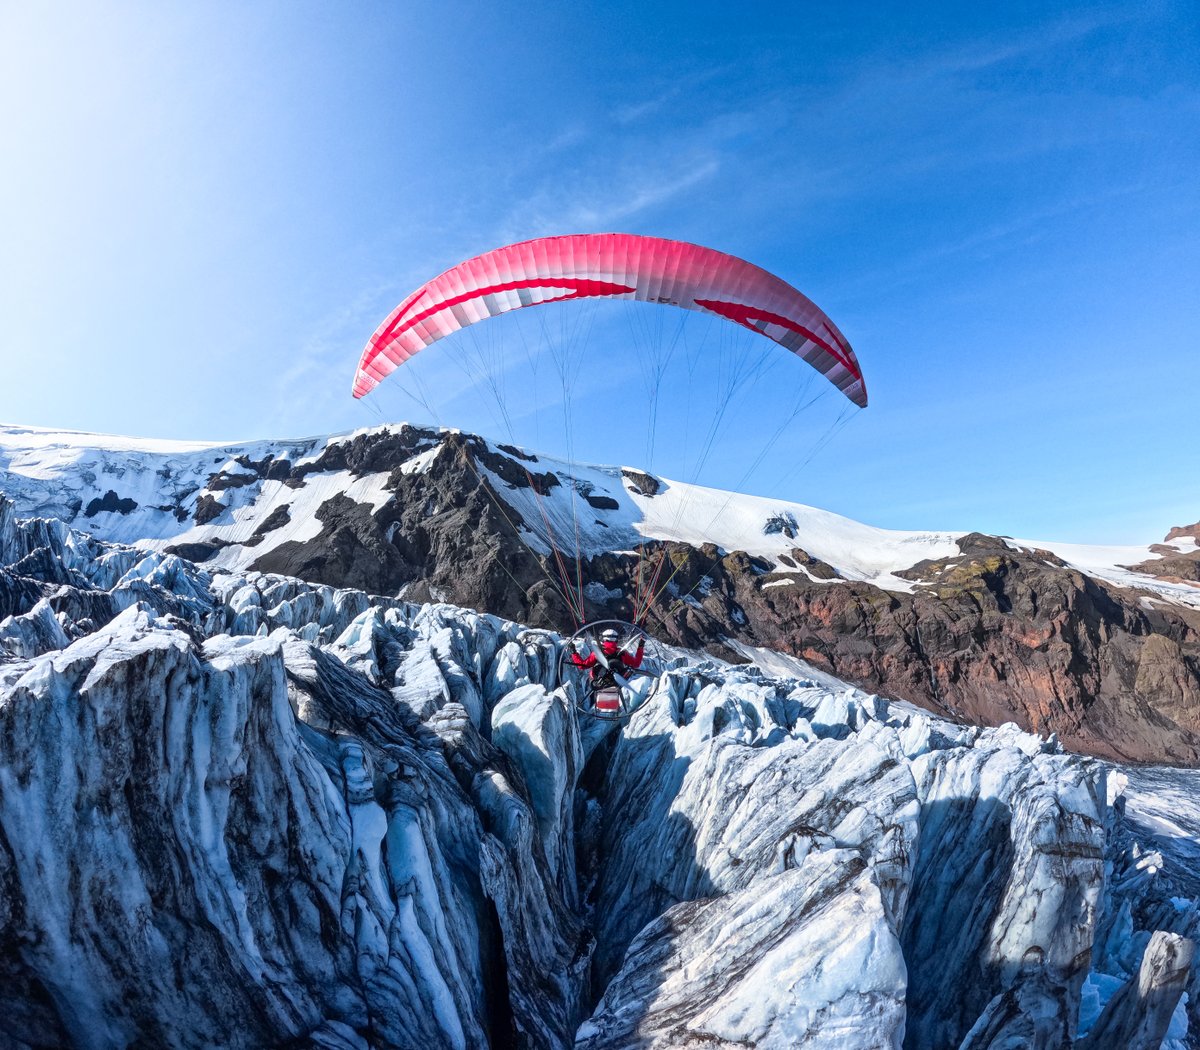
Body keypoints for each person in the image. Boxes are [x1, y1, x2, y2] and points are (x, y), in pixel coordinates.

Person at [570, 628, 645, 713]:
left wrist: (573, 652)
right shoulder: (623, 653)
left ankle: (595, 709)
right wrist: (641, 647)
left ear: (603, 639)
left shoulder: (597, 653)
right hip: (616, 682)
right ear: (616, 640)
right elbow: (636, 664)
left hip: (598, 682)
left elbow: (582, 666)